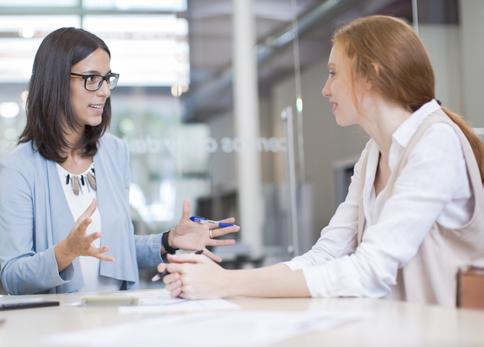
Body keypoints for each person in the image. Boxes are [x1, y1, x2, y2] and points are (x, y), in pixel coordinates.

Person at [158, 15, 484, 306]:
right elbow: (325, 255)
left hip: (447, 345)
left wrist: (226, 282)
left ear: (371, 76)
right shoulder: (373, 154)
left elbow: (369, 271)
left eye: (333, 73)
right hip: (401, 336)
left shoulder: (436, 142)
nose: (326, 90)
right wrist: (216, 280)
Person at [0, 27, 239, 295]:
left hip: (116, 319)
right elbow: (11, 276)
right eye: (91, 78)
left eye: (106, 79)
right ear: (55, 81)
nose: (104, 92)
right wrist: (63, 253)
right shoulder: (19, 168)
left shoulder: (113, 152)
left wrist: (168, 240)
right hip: (56, 327)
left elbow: (117, 249)